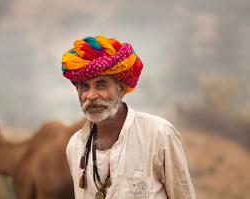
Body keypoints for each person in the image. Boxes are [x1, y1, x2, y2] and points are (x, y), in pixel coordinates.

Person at [62, 35, 196, 199]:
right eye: (84, 87)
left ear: (122, 89)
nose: (90, 95)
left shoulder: (159, 134)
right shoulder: (75, 145)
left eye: (101, 85)